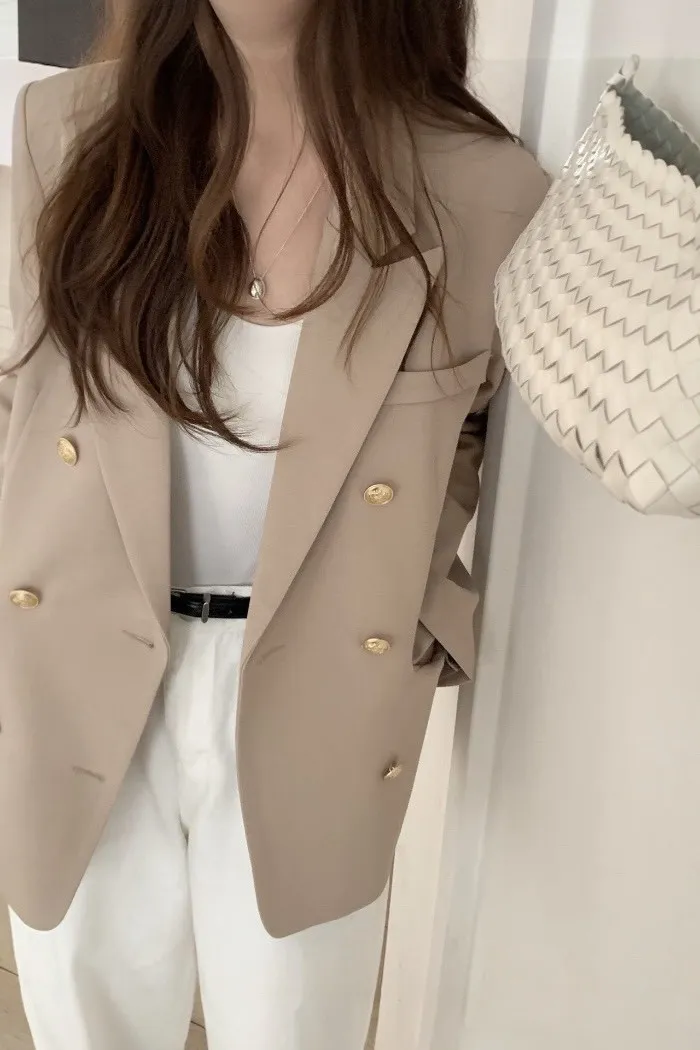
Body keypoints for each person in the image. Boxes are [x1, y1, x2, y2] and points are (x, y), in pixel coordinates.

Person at [0, 0, 548, 1047]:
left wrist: (407, 608)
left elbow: (468, 438)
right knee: (85, 1023)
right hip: (78, 667)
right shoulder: (65, 130)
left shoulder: (484, 189)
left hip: (318, 688)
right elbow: (25, 387)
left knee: (293, 1027)